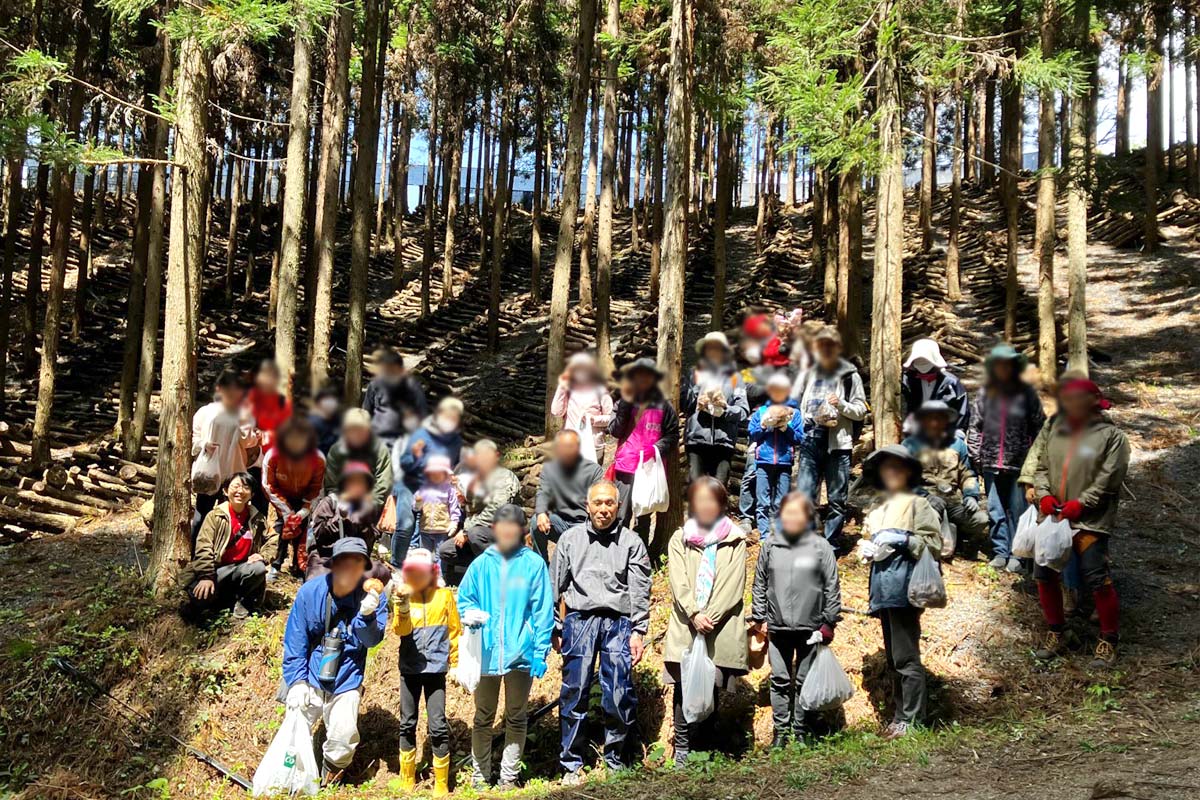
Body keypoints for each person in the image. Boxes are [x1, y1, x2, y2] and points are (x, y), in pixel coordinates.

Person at [552, 481, 652, 784]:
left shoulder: (631, 542)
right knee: (574, 692)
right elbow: (554, 585)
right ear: (588, 505)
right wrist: (555, 627)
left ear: (618, 506)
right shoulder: (569, 540)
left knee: (619, 692)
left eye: (609, 503)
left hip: (618, 623)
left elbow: (639, 589)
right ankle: (571, 764)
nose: (604, 509)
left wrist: (639, 630)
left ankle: (617, 760)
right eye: (598, 503)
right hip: (579, 622)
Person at [1032, 378, 1130, 668]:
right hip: (1053, 517)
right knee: (1044, 574)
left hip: (1090, 521)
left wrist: (1082, 503)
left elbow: (1109, 478)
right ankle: (1058, 631)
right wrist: (1043, 496)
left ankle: (1108, 640)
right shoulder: (1054, 429)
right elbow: (1041, 467)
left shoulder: (1113, 437)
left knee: (1097, 578)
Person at [458, 505, 554, 789]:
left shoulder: (533, 564)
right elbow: (464, 599)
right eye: (503, 525)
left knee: (516, 716)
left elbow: (542, 611)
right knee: (483, 717)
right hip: (486, 653)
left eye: (514, 525)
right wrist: (470, 615)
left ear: (523, 530)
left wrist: (540, 650)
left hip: (520, 653)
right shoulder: (481, 565)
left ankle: (508, 778)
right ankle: (479, 777)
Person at [281, 538, 388, 784]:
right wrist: (296, 681)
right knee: (294, 731)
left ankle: (330, 778)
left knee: (344, 736)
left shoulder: (374, 596)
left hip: (347, 676)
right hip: (310, 674)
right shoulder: (310, 592)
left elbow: (372, 641)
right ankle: (291, 779)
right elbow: (296, 638)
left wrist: (367, 616)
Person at [855, 446, 943, 739]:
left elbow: (933, 545)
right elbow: (867, 540)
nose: (891, 473)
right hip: (882, 588)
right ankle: (899, 716)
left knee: (906, 656)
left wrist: (904, 540)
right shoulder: (877, 508)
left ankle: (913, 719)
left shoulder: (919, 505)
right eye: (886, 469)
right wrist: (867, 551)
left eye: (897, 468)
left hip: (906, 588)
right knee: (894, 659)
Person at [662, 478, 748, 765]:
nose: (706, 506)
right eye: (700, 500)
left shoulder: (735, 540)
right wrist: (694, 613)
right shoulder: (680, 538)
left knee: (712, 683)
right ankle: (683, 749)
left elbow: (733, 585)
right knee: (683, 684)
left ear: (722, 505)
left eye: (712, 500)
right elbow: (678, 581)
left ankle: (706, 746)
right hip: (687, 623)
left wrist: (710, 615)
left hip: (719, 623)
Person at [750, 491, 841, 746]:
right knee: (779, 679)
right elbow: (760, 583)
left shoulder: (821, 547)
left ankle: (801, 729)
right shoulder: (770, 545)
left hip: (810, 626)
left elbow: (831, 586)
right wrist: (759, 616)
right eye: (787, 513)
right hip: (777, 625)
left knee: (804, 680)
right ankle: (780, 732)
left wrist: (829, 621)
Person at [967, 344, 1046, 573]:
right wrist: (976, 456)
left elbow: (1039, 428)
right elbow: (975, 427)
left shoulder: (1027, 393)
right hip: (990, 462)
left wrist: (1032, 460)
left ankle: (1018, 555)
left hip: (1018, 464)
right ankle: (1000, 551)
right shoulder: (985, 393)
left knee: (1018, 510)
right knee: (995, 510)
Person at [392, 547, 461, 795]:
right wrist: (401, 608)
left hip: (436, 670)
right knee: (407, 723)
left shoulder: (443, 596)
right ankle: (406, 777)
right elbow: (399, 631)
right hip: (410, 668)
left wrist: (455, 663)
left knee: (438, 725)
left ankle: (441, 783)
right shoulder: (402, 595)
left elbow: (454, 630)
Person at [793, 326, 868, 544]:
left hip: (837, 443)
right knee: (805, 495)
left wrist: (841, 404)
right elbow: (799, 405)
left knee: (837, 498)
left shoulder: (849, 375)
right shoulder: (809, 373)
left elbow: (861, 409)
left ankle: (831, 543)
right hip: (810, 439)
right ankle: (805, 542)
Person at [180, 473, 276, 622]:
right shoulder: (215, 516)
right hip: (217, 570)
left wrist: (263, 556)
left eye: (246, 487)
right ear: (225, 491)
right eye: (236, 486)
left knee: (258, 568)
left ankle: (244, 604)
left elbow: (273, 538)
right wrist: (206, 576)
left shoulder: (257, 518)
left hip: (243, 569)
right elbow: (204, 547)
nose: (240, 491)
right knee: (200, 596)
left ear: (252, 494)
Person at [901, 401, 989, 556]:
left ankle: (959, 538)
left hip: (953, 499)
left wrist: (971, 496)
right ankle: (929, 548)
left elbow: (967, 473)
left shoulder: (958, 445)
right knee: (930, 518)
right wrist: (924, 495)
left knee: (980, 519)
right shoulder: (910, 445)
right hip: (925, 500)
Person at [608, 357, 679, 537]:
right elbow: (615, 430)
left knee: (644, 515)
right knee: (621, 513)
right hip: (626, 465)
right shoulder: (622, 401)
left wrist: (656, 449)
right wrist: (625, 403)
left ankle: (640, 557)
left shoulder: (665, 405)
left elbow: (673, 434)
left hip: (649, 467)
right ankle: (617, 553)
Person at [394, 397, 465, 563]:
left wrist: (453, 480)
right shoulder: (421, 435)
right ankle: (398, 563)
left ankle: (433, 569)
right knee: (406, 525)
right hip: (412, 483)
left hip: (440, 488)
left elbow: (453, 465)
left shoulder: (455, 441)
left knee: (427, 527)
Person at [192, 369, 261, 540]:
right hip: (233, 473)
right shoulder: (241, 414)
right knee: (230, 516)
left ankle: (197, 554)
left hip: (208, 472)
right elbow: (248, 441)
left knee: (202, 514)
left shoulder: (203, 412)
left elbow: (194, 441)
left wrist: (204, 445)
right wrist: (256, 436)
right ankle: (223, 556)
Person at [439, 440, 519, 585]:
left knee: (475, 534)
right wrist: (464, 501)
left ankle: (502, 572)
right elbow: (473, 510)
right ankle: (482, 569)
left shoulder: (504, 477)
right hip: (481, 534)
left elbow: (497, 509)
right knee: (446, 550)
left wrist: (465, 531)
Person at [262, 416, 326, 581]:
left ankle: (298, 566)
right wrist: (286, 511)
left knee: (301, 529)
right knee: (282, 527)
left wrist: (303, 511)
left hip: (305, 497)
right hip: (281, 496)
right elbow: (268, 485)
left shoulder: (318, 459)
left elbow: (317, 487)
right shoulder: (273, 456)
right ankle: (276, 564)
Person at [306, 462, 393, 584]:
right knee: (318, 582)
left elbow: (371, 539)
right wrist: (339, 519)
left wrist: (361, 523)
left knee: (381, 574)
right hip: (326, 557)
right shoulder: (330, 502)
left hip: (356, 559)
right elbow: (319, 534)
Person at [683, 331, 750, 483]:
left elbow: (743, 411)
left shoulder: (735, 378)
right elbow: (683, 403)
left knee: (718, 491)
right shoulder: (693, 373)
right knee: (695, 489)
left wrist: (726, 409)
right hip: (696, 441)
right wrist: (697, 401)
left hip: (723, 443)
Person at [747, 373, 804, 539]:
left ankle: (778, 534)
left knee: (781, 501)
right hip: (763, 460)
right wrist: (765, 426)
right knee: (762, 500)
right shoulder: (761, 412)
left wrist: (786, 428)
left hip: (785, 461)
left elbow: (799, 438)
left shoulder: (794, 413)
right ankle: (764, 536)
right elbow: (753, 434)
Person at [533, 429, 605, 559]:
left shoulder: (593, 471)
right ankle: (541, 564)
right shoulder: (550, 469)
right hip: (560, 522)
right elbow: (543, 492)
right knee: (535, 521)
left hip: (584, 524)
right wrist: (541, 513)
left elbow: (599, 501)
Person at [323, 408, 393, 510]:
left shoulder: (380, 450)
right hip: (341, 503)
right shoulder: (336, 451)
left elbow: (383, 485)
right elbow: (332, 485)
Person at [901, 339, 970, 438]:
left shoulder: (952, 383)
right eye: (918, 360)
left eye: (926, 359)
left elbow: (962, 416)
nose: (922, 363)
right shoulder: (907, 381)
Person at [551, 352, 614, 459]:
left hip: (593, 446)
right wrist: (562, 386)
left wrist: (594, 420)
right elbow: (556, 412)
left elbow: (611, 417)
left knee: (591, 475)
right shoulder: (568, 389)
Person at [361, 349, 428, 448]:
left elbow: (421, 416)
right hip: (378, 440)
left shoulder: (413, 387)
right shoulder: (375, 385)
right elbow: (366, 413)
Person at [413, 454, 461, 556]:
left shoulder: (449, 489)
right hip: (425, 528)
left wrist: (454, 523)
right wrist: (418, 502)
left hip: (442, 529)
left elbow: (454, 507)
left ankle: (440, 572)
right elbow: (416, 508)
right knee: (425, 555)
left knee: (440, 556)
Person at [246, 359, 292, 454]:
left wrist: (267, 435)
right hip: (251, 454)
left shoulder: (284, 403)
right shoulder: (250, 398)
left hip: (273, 455)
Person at [309, 386, 342, 455]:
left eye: (333, 398)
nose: (331, 402)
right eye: (327, 399)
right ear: (319, 402)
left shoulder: (337, 419)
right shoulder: (313, 422)